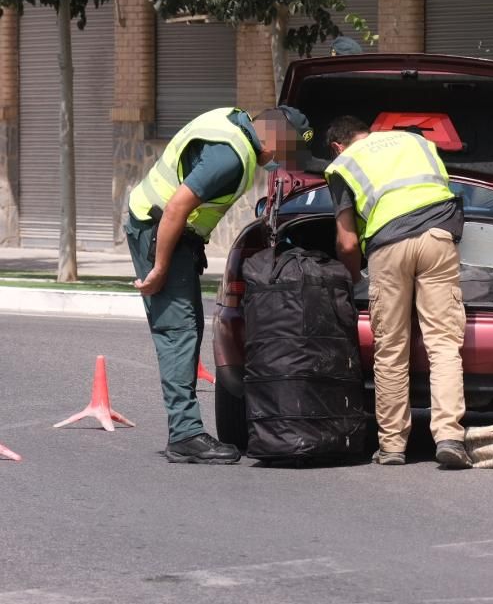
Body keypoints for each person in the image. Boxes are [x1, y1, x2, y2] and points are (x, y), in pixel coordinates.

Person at [126, 106, 314, 464]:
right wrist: (161, 267)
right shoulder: (231, 157)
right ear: (274, 137)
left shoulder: (234, 124)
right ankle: (185, 436)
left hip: (171, 232)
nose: (284, 161)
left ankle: (185, 431)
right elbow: (177, 207)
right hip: (159, 230)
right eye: (288, 151)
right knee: (178, 331)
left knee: (188, 327)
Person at [324, 116, 471, 469]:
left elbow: (346, 243)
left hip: (387, 248)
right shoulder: (415, 142)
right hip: (437, 236)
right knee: (443, 343)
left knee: (391, 349)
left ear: (337, 146)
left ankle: (392, 447)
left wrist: (353, 276)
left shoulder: (343, 165)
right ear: (367, 133)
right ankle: (449, 436)